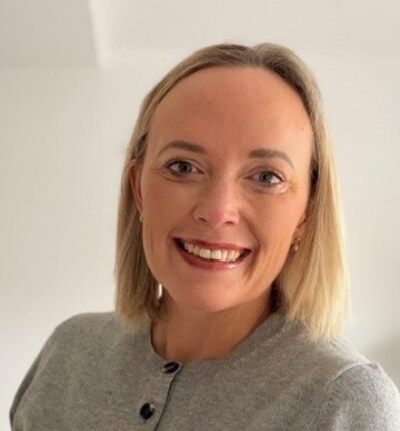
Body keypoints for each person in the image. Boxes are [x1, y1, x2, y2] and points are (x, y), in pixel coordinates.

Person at [10, 43, 400, 430]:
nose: (217, 211)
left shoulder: (343, 401)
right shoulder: (69, 354)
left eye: (267, 177)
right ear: (139, 189)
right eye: (183, 167)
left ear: (306, 213)